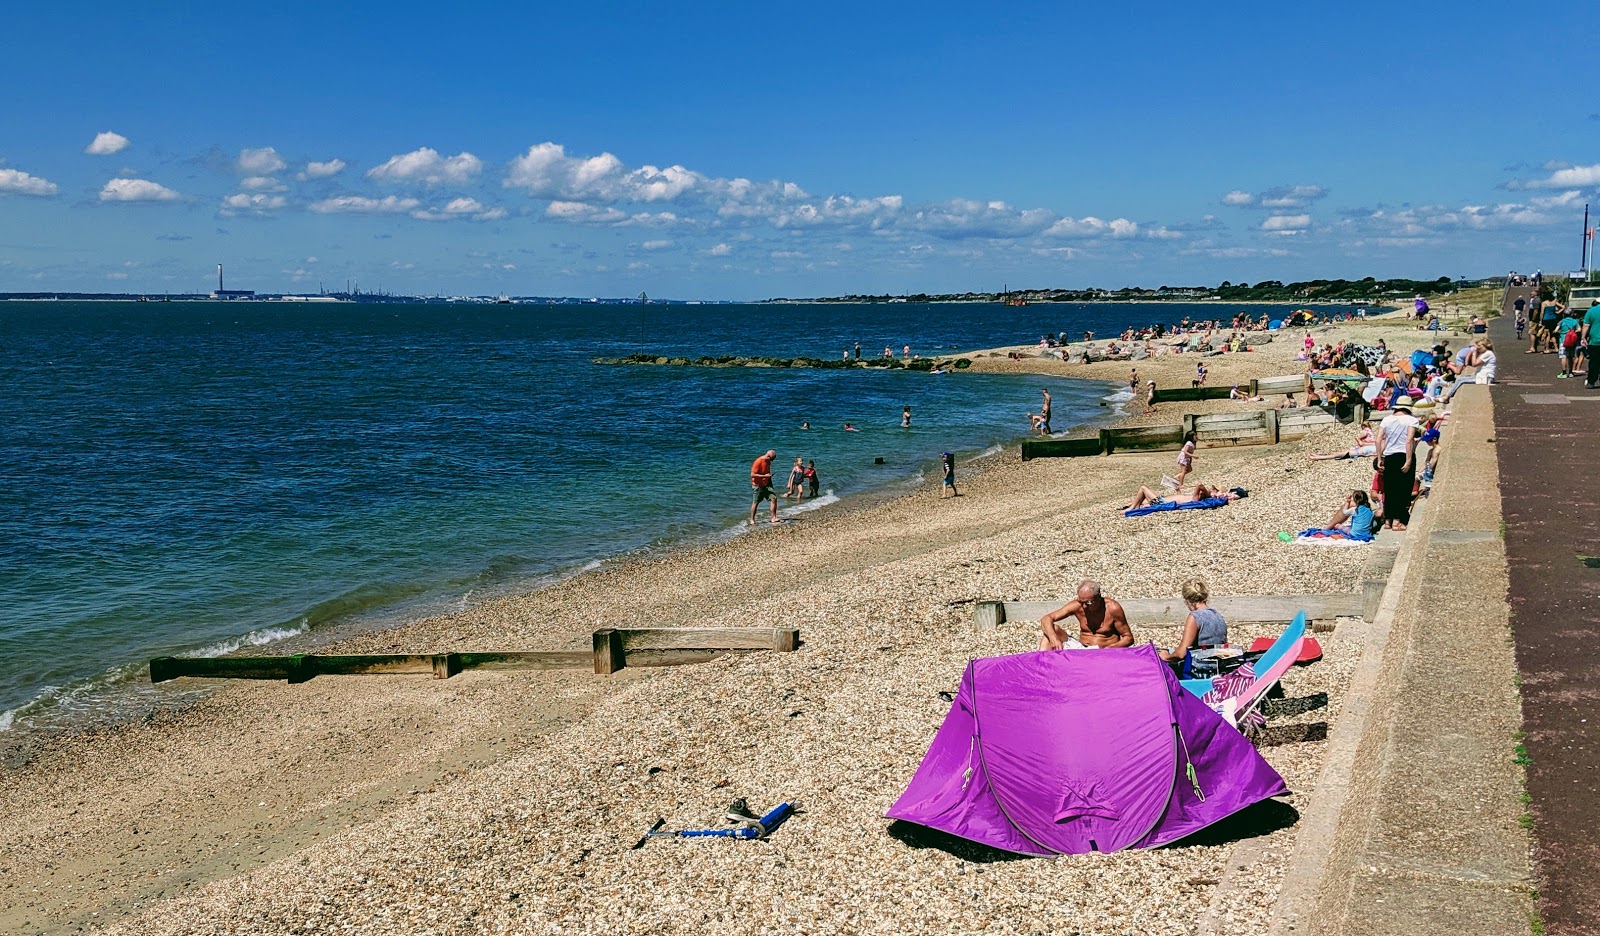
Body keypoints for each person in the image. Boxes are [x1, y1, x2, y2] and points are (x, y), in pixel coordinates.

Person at [1038, 580, 1133, 650]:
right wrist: (1054, 639)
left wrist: (1110, 648)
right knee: (1051, 630)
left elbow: (1128, 638)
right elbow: (1046, 619)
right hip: (1081, 648)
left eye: (1088, 603)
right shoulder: (1078, 605)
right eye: (1081, 601)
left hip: (1104, 651)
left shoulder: (1112, 608)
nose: (1084, 606)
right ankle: (1040, 666)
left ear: (1098, 597)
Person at [1159, 580, 1227, 663]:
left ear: (1186, 600)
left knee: (1159, 654)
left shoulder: (1195, 617)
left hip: (1199, 666)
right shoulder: (1217, 615)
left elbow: (1181, 654)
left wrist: (1166, 656)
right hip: (1217, 662)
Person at [1378, 399, 1419, 531]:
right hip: (1403, 455)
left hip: (1389, 456)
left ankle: (1388, 521)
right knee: (1403, 489)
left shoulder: (1386, 419)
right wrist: (1408, 460)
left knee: (1389, 489)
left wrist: (1379, 457)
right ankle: (1397, 521)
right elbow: (1409, 440)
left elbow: (1379, 439)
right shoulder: (1411, 420)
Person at [1123, 481, 1246, 511]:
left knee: (1143, 488)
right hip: (1163, 499)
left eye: (1215, 489)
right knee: (1146, 496)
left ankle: (1133, 508)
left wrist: (1206, 491)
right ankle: (1133, 506)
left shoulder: (1200, 499)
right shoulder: (1202, 498)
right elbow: (1181, 498)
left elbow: (1198, 489)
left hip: (1161, 502)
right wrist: (1177, 491)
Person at [1308, 424, 1377, 460]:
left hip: (1358, 452)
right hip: (1359, 450)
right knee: (1337, 453)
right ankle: (1318, 455)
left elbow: (1375, 453)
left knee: (1337, 455)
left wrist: (1369, 454)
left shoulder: (1380, 447)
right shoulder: (1378, 445)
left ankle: (1317, 457)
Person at [749, 449, 779, 525]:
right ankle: (752, 519)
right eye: (771, 459)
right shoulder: (758, 461)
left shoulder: (768, 461)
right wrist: (764, 476)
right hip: (758, 485)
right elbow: (752, 475)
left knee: (774, 498)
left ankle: (773, 517)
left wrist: (769, 476)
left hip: (767, 484)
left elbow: (766, 471)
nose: (771, 461)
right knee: (756, 502)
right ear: (768, 456)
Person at [1557, 309, 1582, 378]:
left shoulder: (1562, 322)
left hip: (1563, 340)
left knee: (1563, 356)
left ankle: (1564, 373)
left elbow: (1556, 330)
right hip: (1572, 341)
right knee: (1570, 357)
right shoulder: (1575, 321)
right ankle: (1570, 372)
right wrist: (1573, 331)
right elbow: (1579, 329)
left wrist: (1561, 332)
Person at [1584, 298, 1600, 388]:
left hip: (1594, 341)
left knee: (1594, 362)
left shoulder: (1591, 311)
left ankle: (1591, 381)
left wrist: (1583, 337)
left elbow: (1586, 326)